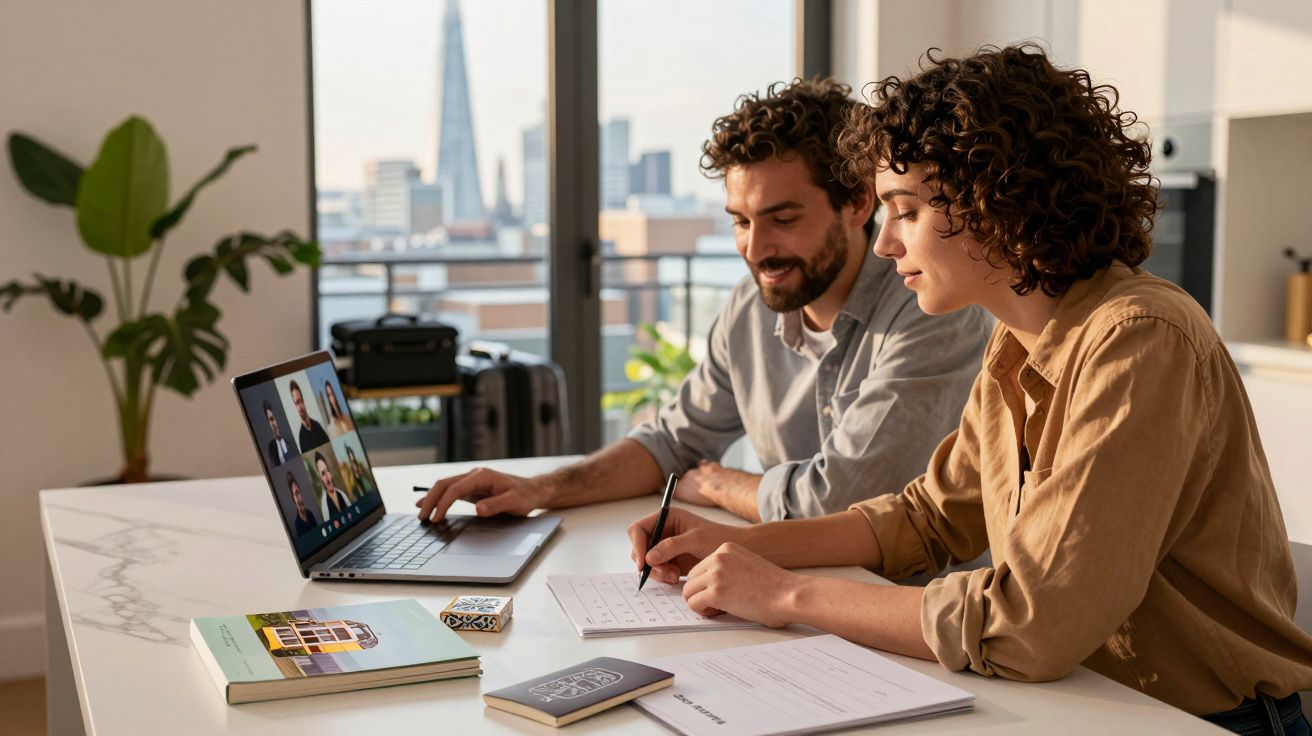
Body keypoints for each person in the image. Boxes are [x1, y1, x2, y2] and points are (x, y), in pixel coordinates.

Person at [627, 45, 1312, 734]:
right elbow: (925, 519)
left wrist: (786, 593)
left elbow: (1031, 623)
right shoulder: (1016, 343)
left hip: (1208, 722)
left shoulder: (1139, 340)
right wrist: (735, 546)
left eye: (906, 211)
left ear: (995, 204)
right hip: (1083, 706)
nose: (887, 243)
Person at [417, 77, 991, 525]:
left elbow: (841, 499)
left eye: (782, 219)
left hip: (912, 617)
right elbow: (672, 442)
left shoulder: (932, 309)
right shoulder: (750, 306)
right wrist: (539, 490)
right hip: (800, 592)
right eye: (740, 222)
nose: (756, 249)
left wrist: (720, 485)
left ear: (858, 203)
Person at [290, 379, 330, 452]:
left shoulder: (317, 425)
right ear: (295, 406)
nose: (300, 406)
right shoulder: (301, 438)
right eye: (297, 403)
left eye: (301, 401)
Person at [313, 451, 350, 516]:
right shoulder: (325, 505)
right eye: (323, 474)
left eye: (327, 471)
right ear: (321, 478)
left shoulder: (342, 495)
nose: (327, 477)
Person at [263, 400, 298, 466]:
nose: (273, 424)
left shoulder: (288, 442)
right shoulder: (271, 447)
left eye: (272, 419)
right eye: (270, 420)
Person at [286, 472, 319, 536]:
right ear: (293, 499)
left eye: (298, 493)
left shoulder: (310, 514)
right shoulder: (297, 524)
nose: (297, 499)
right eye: (294, 495)